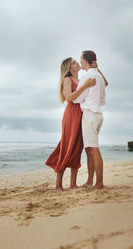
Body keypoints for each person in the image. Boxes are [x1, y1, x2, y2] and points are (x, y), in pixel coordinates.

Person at [46, 57, 96, 190]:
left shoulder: (81, 80)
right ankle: (58, 185)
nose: (77, 63)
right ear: (69, 68)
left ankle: (73, 184)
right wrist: (85, 86)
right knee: (66, 146)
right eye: (74, 63)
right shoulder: (67, 80)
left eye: (76, 61)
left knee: (77, 148)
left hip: (82, 115)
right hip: (71, 115)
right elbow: (69, 98)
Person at [74, 50, 108, 189]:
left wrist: (77, 92)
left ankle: (99, 183)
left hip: (90, 114)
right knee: (89, 149)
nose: (80, 62)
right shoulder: (98, 75)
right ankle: (90, 181)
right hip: (98, 114)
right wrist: (98, 68)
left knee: (93, 149)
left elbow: (78, 99)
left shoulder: (86, 76)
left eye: (81, 59)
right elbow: (106, 84)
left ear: (86, 62)